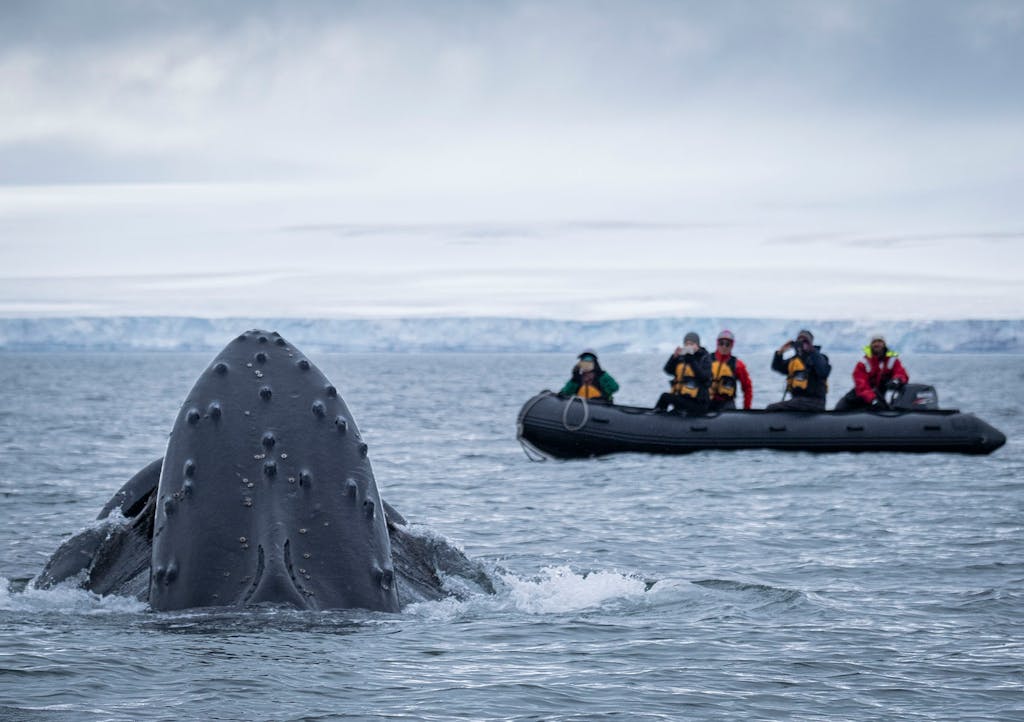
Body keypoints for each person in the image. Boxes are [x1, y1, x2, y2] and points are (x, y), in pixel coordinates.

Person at [834, 333, 909, 411]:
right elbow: (861, 385)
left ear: (884, 344)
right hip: (864, 395)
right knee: (840, 408)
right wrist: (873, 399)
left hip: (881, 395)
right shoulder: (863, 363)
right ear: (871, 345)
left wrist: (897, 380)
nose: (877, 344)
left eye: (879, 341)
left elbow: (901, 373)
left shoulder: (892, 361)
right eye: (874, 342)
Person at [766, 329, 831, 411]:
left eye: (805, 341)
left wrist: (811, 350)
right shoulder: (794, 361)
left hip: (815, 402)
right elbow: (777, 367)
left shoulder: (820, 358)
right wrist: (780, 353)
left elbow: (824, 371)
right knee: (774, 408)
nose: (801, 344)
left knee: (772, 408)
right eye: (799, 341)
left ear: (810, 343)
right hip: (797, 402)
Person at [655, 331, 712, 415]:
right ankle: (658, 416)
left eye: (692, 344)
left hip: (698, 403)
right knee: (666, 397)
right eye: (686, 344)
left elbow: (704, 377)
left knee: (665, 397)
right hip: (683, 399)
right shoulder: (682, 357)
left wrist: (691, 360)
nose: (688, 346)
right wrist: (674, 357)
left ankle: (656, 418)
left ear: (698, 345)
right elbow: (668, 370)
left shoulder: (704, 357)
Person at [709, 329, 754, 411]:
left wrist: (746, 408)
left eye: (727, 344)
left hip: (727, 403)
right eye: (721, 343)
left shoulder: (738, 365)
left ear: (732, 345)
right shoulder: (707, 360)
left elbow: (747, 387)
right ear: (717, 344)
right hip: (707, 401)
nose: (724, 347)